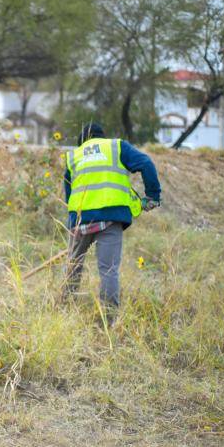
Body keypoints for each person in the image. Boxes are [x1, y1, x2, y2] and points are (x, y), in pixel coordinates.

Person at [61, 121, 161, 315]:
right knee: (108, 270)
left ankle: (65, 309)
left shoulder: (74, 155)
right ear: (102, 137)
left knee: (73, 265)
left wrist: (72, 220)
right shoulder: (116, 147)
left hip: (80, 220)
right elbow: (146, 163)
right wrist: (153, 195)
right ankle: (109, 318)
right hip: (110, 219)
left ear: (82, 142)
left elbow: (69, 191)